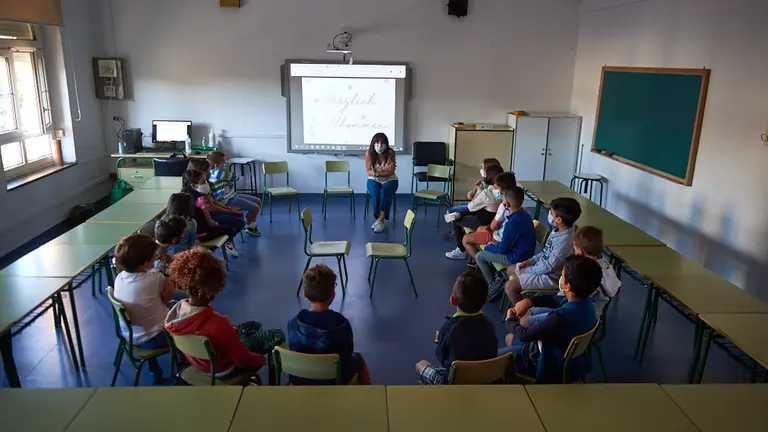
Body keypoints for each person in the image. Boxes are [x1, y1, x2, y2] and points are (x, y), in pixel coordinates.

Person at [164, 247, 285, 380]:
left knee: (254, 325)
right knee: (277, 334)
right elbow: (244, 360)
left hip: (201, 363)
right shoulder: (218, 323)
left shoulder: (176, 313)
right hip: (225, 369)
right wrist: (260, 360)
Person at [500, 255, 601, 383]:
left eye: (562, 276)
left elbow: (524, 335)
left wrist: (510, 320)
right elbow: (554, 299)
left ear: (568, 286)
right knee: (510, 338)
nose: (560, 278)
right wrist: (529, 301)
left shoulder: (560, 318)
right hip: (571, 362)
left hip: (549, 364)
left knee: (496, 361)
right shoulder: (586, 303)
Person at [287, 264, 371, 385]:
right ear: (332, 295)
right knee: (359, 359)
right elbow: (347, 354)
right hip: (333, 380)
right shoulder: (341, 324)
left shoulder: (294, 323)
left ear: (305, 295)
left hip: (301, 379)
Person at [524, 226, 621, 327]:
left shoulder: (586, 274)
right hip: (588, 314)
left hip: (573, 316)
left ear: (580, 251)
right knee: (532, 311)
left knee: (528, 317)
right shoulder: (605, 265)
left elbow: (569, 299)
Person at [415, 271, 498, 385]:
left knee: (421, 365)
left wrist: (441, 339)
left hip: (453, 381)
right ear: (486, 300)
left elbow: (442, 360)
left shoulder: (447, 329)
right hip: (484, 378)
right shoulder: (489, 325)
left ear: (453, 300)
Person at [113, 233, 175, 382]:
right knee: (185, 319)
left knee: (149, 314)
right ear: (143, 262)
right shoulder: (155, 279)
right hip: (155, 337)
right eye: (153, 256)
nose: (155, 258)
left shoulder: (120, 277)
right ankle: (182, 360)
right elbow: (168, 298)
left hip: (130, 334)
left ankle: (155, 370)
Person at [505, 197, 581, 304]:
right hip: (542, 268)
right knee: (510, 269)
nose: (549, 214)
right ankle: (523, 299)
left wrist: (527, 270)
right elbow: (545, 252)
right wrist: (529, 262)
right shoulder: (560, 230)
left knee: (510, 287)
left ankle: (524, 315)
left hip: (551, 277)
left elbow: (548, 267)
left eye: (551, 213)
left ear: (558, 220)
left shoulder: (564, 243)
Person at [476, 186, 536, 299]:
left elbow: (503, 250)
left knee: (480, 256)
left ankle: (493, 285)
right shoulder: (526, 215)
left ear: (507, 204)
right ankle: (498, 277)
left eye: (503, 201)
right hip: (527, 253)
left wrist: (489, 247)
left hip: (515, 257)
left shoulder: (512, 223)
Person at [445, 169, 515, 260]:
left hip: (494, 234)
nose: (481, 171)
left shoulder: (500, 203)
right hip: (495, 228)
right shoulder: (511, 203)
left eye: (496, 187)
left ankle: (464, 252)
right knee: (463, 214)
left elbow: (471, 207)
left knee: (455, 220)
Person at [180, 169, 239, 257]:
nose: (206, 183)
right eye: (204, 181)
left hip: (187, 235)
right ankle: (208, 251)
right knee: (230, 229)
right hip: (201, 234)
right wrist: (217, 224)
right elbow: (211, 223)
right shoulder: (200, 199)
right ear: (194, 185)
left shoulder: (181, 196)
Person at [207, 151, 262, 237]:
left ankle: (250, 225)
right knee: (255, 208)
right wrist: (225, 171)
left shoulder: (216, 172)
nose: (226, 163)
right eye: (223, 162)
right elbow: (236, 177)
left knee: (258, 201)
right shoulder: (218, 173)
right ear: (216, 165)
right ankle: (249, 225)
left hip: (232, 195)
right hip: (227, 200)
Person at [188, 159, 248, 237]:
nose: (209, 173)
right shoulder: (198, 188)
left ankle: (228, 239)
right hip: (204, 219)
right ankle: (227, 240)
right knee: (238, 221)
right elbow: (211, 208)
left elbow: (213, 201)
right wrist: (230, 211)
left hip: (210, 213)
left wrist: (229, 208)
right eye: (206, 171)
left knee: (238, 215)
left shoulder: (204, 182)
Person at [365, 132, 398, 233]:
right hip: (373, 180)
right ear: (373, 144)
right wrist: (384, 170)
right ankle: (379, 219)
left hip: (391, 179)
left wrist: (377, 172)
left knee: (384, 192)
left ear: (386, 145)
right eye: (377, 143)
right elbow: (369, 171)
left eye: (382, 143)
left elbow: (391, 171)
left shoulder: (390, 153)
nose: (380, 146)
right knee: (375, 193)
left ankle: (380, 221)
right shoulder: (369, 154)